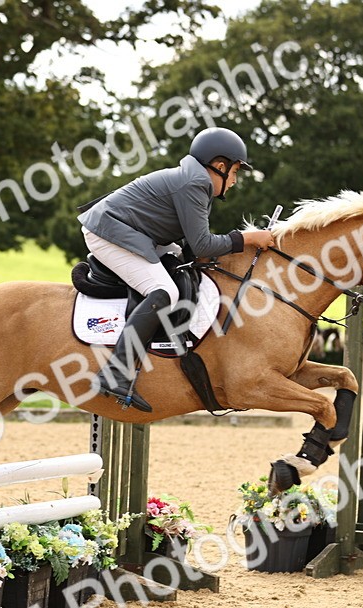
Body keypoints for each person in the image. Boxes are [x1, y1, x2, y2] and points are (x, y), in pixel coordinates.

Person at [77, 127, 275, 412]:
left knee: (180, 263)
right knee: (164, 291)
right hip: (107, 232)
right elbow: (204, 244)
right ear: (219, 166)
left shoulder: (196, 181)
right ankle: (115, 371)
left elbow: (193, 248)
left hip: (134, 233)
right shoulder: (193, 183)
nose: (234, 181)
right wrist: (248, 238)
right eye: (234, 173)